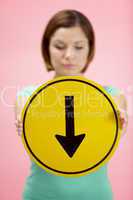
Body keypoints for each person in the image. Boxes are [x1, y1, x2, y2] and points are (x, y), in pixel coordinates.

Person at [14, 9, 128, 200]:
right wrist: (24, 123)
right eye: (59, 46)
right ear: (46, 48)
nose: (68, 55)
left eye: (78, 47)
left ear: (89, 49)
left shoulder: (112, 96)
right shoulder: (27, 97)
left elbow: (117, 129)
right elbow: (33, 138)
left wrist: (120, 123)